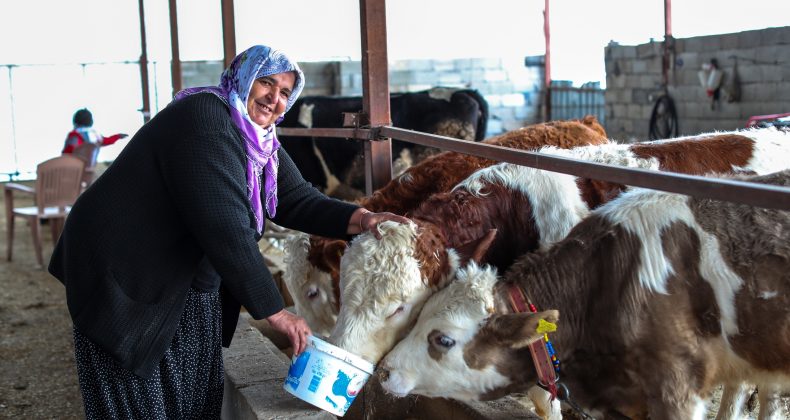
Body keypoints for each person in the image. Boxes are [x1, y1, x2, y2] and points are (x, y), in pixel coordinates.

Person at [49, 44, 410, 419]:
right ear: (243, 78)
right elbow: (225, 227)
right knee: (134, 389)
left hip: (181, 273)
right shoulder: (205, 117)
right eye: (266, 83)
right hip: (125, 269)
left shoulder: (259, 140)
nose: (275, 98)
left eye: (286, 91)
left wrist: (363, 219)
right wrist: (276, 312)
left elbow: (297, 198)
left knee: (195, 389)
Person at [62, 108, 128, 154]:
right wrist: (118, 136)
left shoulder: (74, 134)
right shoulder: (95, 135)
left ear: (75, 121)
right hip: (87, 169)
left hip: (70, 167)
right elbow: (108, 141)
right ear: (91, 121)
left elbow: (68, 152)